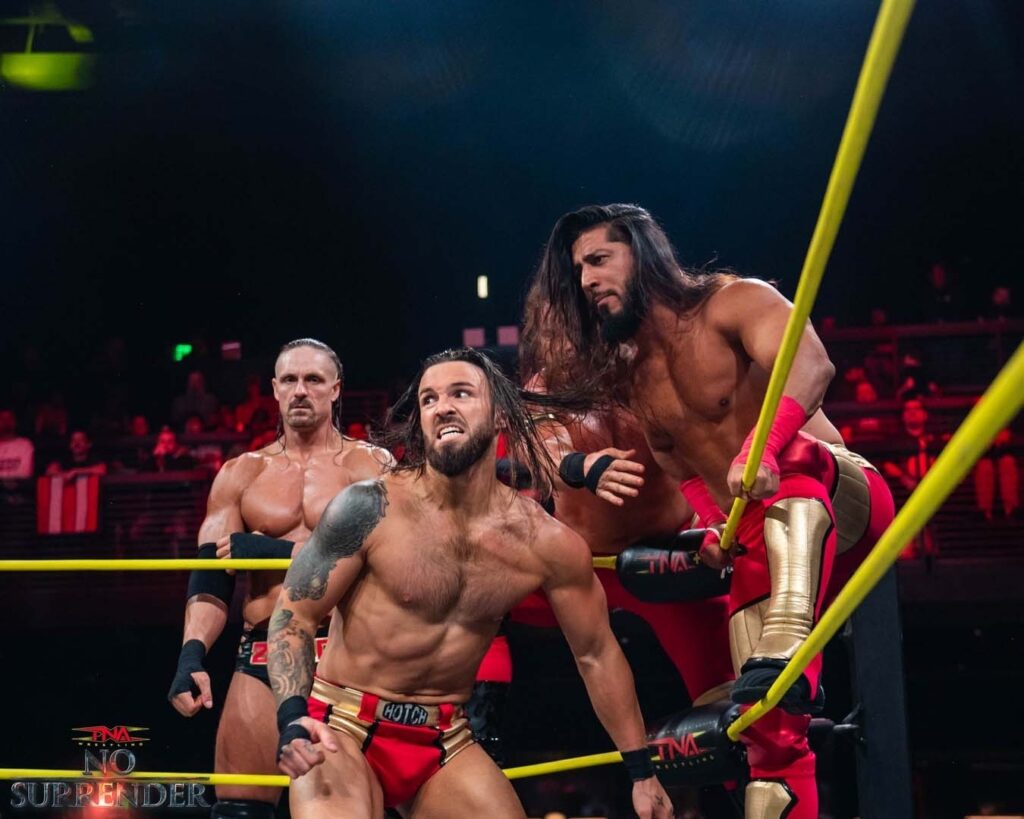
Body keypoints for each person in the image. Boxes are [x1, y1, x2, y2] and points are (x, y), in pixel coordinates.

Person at [529, 204, 894, 819]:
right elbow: (680, 467)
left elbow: (812, 365)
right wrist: (711, 522)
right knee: (765, 728)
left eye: (599, 260)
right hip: (762, 540)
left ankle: (785, 644)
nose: (588, 280)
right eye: (579, 270)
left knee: (793, 463)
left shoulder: (732, 303)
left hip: (838, 499)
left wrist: (764, 445)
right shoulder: (633, 377)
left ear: (641, 251)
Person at [268, 348, 672, 819]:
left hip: (443, 738)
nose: (442, 407)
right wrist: (293, 717)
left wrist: (642, 772)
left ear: (500, 415)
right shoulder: (371, 507)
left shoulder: (544, 543)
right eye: (429, 399)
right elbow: (294, 614)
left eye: (461, 393)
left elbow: (596, 654)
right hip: (341, 724)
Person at [168, 338, 391, 819]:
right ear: (273, 389)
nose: (300, 390)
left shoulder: (371, 467)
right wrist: (192, 654)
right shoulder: (240, 474)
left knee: (347, 807)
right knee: (237, 808)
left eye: (313, 379)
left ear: (336, 389)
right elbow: (212, 578)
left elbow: (392, 561)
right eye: (289, 379)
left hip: (347, 659)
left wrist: (276, 552)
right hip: (262, 653)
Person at [0, 409, 34, 480]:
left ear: (15, 422)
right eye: (2, 419)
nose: (6, 422)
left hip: (19, 486)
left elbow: (25, 473)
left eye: (9, 418)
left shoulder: (25, 445)